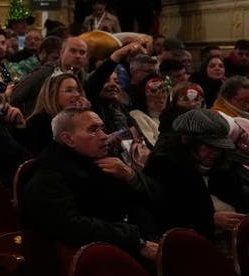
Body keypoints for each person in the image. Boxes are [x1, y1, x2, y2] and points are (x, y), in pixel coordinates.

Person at [20, 107, 162, 260]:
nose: (104, 136)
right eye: (93, 130)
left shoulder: (106, 163)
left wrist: (131, 176)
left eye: (102, 128)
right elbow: (74, 228)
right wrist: (136, 241)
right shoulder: (48, 179)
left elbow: (150, 201)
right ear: (68, 139)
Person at [145, 109, 248, 244]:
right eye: (210, 147)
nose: (215, 153)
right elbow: (164, 211)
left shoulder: (224, 166)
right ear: (189, 143)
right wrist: (210, 220)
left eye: (219, 147)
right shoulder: (165, 167)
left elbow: (240, 193)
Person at [23, 72, 89, 155]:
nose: (77, 95)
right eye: (69, 90)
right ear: (52, 94)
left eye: (78, 90)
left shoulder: (76, 118)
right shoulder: (38, 122)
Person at [129, 76, 169, 147]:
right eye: (153, 91)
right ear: (143, 94)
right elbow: (152, 146)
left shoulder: (172, 117)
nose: (160, 95)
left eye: (163, 91)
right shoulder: (138, 115)